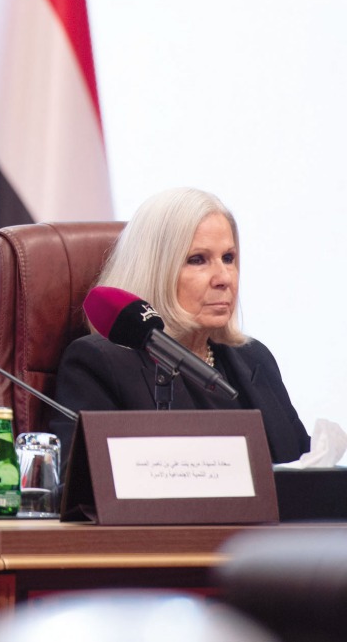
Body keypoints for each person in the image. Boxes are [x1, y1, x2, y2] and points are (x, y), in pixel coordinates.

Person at [50, 187, 309, 464]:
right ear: (156, 269)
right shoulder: (100, 363)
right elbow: (83, 492)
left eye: (229, 258)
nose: (224, 278)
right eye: (197, 260)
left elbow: (305, 471)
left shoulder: (255, 358)